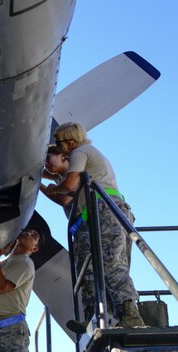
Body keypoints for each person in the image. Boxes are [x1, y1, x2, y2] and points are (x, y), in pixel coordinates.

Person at [40, 123, 145, 329]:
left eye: (59, 144)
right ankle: (91, 318)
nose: (60, 149)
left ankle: (130, 314)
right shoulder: (76, 161)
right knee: (86, 270)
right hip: (90, 217)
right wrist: (42, 183)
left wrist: (54, 188)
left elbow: (68, 187)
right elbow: (64, 199)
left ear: (69, 142)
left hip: (105, 210)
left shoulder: (81, 151)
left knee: (110, 263)